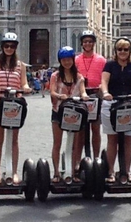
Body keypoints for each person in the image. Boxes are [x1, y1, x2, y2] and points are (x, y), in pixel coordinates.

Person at [0, 32, 32, 185]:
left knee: (14, 140)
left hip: (14, 105)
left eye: (12, 46)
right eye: (6, 45)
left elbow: (23, 82)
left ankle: (14, 172)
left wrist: (26, 88)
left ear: (16, 47)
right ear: (2, 47)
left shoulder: (21, 65)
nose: (9, 48)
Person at [100, 37, 131, 183]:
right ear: (115, 51)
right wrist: (105, 93)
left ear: (130, 51)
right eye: (120, 49)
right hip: (111, 103)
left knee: (128, 140)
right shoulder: (110, 65)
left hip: (129, 104)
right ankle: (111, 172)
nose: (122, 52)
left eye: (126, 49)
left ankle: (127, 171)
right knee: (112, 139)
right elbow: (104, 82)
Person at [50, 46, 89, 183]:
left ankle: (72, 172)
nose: (67, 62)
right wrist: (60, 96)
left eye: (69, 59)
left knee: (75, 143)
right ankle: (56, 173)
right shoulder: (55, 76)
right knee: (57, 142)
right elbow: (52, 92)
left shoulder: (78, 76)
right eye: (64, 60)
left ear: (73, 60)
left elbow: (83, 91)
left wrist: (84, 96)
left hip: (75, 112)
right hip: (58, 111)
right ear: (60, 61)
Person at [75, 30, 107, 159]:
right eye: (85, 42)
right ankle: (77, 159)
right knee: (80, 130)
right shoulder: (76, 59)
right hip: (80, 96)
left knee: (95, 128)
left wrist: (102, 87)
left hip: (96, 96)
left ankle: (96, 157)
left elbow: (105, 78)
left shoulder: (101, 60)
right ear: (82, 44)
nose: (87, 44)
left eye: (90, 41)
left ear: (94, 43)